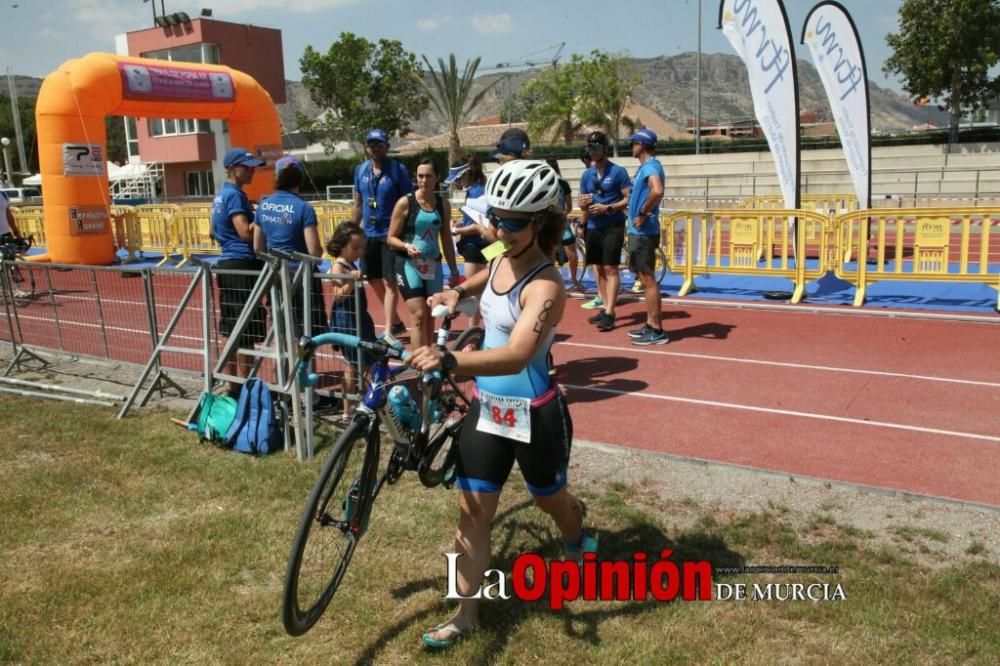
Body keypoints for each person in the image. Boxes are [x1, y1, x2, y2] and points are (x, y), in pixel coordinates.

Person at [407, 160, 595, 649]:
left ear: (541, 222)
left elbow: (516, 354)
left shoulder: (547, 285)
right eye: (497, 215)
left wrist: (453, 360)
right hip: (488, 411)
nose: (501, 228)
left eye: (513, 222)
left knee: (549, 501)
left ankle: (576, 532)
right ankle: (464, 615)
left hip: (535, 413)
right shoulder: (501, 247)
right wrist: (456, 289)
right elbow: (485, 269)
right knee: (472, 512)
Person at [387, 158, 459, 350]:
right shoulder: (405, 203)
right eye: (420, 176)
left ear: (437, 178)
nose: (423, 180)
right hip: (408, 264)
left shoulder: (443, 205)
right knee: (418, 315)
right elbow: (390, 238)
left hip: (433, 265)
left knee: (431, 314)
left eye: (428, 176)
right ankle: (419, 365)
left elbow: (446, 240)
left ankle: (428, 358)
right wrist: (406, 246)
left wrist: (453, 270)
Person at [211, 147, 267, 396]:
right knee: (245, 330)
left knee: (232, 326)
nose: (252, 171)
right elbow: (245, 232)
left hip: (229, 263)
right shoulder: (234, 196)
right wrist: (262, 216)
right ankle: (243, 385)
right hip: (242, 264)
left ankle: (231, 382)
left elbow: (213, 232)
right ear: (233, 169)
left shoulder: (222, 195)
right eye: (247, 167)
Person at [253, 155, 327, 338]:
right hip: (301, 275)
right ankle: (303, 366)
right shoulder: (303, 208)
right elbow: (313, 250)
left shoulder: (264, 206)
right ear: (299, 177)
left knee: (280, 325)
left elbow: (257, 247)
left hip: (274, 272)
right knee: (306, 328)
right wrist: (321, 251)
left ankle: (281, 366)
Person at [351, 129, 411, 345]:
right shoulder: (360, 171)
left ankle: (388, 331)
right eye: (371, 144)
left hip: (390, 235)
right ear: (367, 147)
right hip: (369, 235)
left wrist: (406, 232)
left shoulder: (398, 170)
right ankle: (395, 321)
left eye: (379, 144)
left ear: (387, 146)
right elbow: (358, 203)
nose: (375, 148)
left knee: (389, 283)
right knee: (371, 278)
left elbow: (408, 203)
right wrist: (350, 230)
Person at [578, 131, 632, 331]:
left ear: (605, 149)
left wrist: (608, 208)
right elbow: (581, 201)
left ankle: (610, 311)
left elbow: (629, 198)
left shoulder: (618, 172)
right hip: (593, 226)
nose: (592, 151)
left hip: (612, 225)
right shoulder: (587, 174)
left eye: (595, 148)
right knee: (598, 268)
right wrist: (582, 210)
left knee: (610, 268)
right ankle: (603, 304)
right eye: (589, 148)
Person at [327, 222, 376, 424]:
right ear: (342, 246)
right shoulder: (338, 266)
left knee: (362, 363)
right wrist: (351, 281)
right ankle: (352, 410)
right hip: (348, 319)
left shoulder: (349, 264)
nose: (359, 252)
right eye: (355, 248)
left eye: (360, 247)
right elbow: (337, 296)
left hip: (359, 317)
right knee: (356, 365)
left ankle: (363, 404)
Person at [625, 129, 668, 345]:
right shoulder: (645, 167)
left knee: (648, 280)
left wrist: (642, 214)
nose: (631, 146)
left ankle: (658, 329)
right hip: (638, 232)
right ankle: (651, 324)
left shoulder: (651, 166)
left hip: (644, 231)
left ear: (642, 145)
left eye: (633, 143)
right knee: (643, 278)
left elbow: (657, 190)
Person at [446, 155, 489, 328]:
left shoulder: (476, 193)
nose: (456, 183)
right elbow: (478, 220)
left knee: (472, 291)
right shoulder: (479, 189)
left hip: (476, 246)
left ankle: (472, 332)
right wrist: (462, 223)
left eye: (458, 178)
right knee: (489, 288)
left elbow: (481, 225)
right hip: (489, 245)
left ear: (468, 173)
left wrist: (456, 230)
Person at [544, 158, 584, 294]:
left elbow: (569, 206)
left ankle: (573, 279)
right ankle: (552, 281)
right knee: (550, 253)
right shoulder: (542, 185)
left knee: (571, 252)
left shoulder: (563, 184)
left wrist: (561, 215)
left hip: (560, 223)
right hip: (549, 223)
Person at [0, 189, 29, 299]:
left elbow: (8, 214)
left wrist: (15, 230)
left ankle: (17, 289)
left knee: (12, 262)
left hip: (5, 234)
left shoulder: (3, 195)